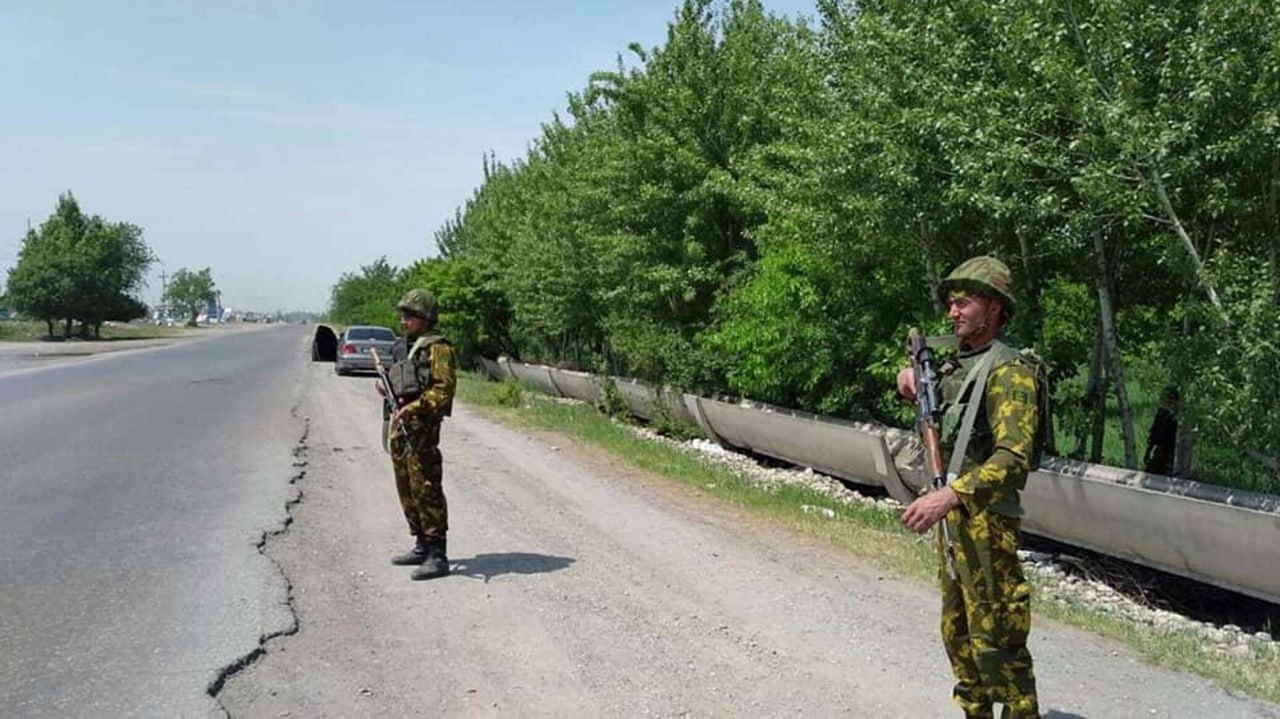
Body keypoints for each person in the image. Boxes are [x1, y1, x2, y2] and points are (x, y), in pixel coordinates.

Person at [896, 256, 1041, 719]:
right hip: (954, 520)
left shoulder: (1009, 370)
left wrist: (950, 495)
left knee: (999, 641)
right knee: (958, 635)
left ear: (994, 308)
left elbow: (1014, 458)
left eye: (965, 303)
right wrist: (910, 386)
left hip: (988, 523)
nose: (953, 313)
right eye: (951, 304)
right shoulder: (957, 365)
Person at [379, 289, 457, 581]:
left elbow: (443, 391)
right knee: (407, 487)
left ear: (424, 317)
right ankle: (421, 544)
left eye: (410, 315)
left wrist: (416, 407)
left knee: (426, 487)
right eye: (403, 315)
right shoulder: (408, 347)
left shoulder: (439, 348)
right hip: (401, 427)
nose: (404, 321)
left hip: (422, 429)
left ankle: (438, 554)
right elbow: (402, 380)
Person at [1143, 386, 1179, 475]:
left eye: (1170, 398)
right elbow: (1154, 432)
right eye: (1165, 397)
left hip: (1171, 452)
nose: (1167, 400)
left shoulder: (1177, 417)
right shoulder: (1161, 412)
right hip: (1160, 450)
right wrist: (1148, 450)